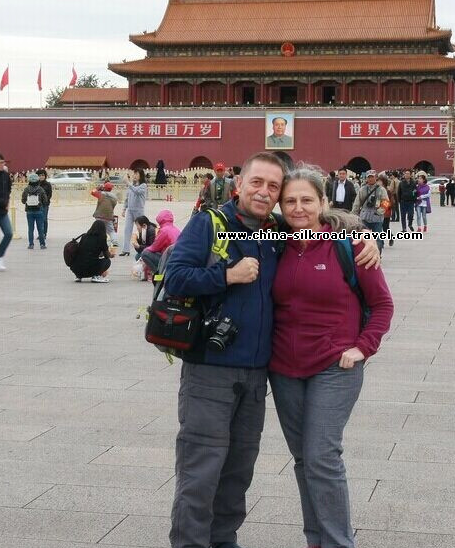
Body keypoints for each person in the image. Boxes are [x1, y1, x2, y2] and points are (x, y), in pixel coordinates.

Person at [163, 152, 379, 548]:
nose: (265, 192)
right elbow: (174, 277)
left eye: (273, 187)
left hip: (257, 371)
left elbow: (320, 226)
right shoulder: (211, 224)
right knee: (202, 467)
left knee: (238, 469)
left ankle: (223, 540)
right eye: (257, 183)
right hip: (211, 368)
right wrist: (227, 274)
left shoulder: (272, 231)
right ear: (239, 184)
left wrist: (366, 238)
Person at [270, 166, 393, 548]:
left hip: (335, 366)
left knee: (322, 455)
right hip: (284, 369)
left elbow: (383, 304)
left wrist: (363, 347)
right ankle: (316, 540)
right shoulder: (272, 243)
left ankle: (339, 543)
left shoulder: (350, 245)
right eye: (290, 201)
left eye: (307, 199)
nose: (298, 208)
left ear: (323, 202)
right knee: (305, 460)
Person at [352, 169, 389, 251]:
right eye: (369, 177)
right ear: (366, 178)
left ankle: (378, 254)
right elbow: (357, 203)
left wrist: (380, 211)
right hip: (364, 218)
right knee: (363, 239)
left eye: (372, 177)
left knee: (378, 239)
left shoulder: (381, 189)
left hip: (377, 218)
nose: (370, 179)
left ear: (376, 177)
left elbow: (386, 202)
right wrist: (354, 215)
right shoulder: (362, 189)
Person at [138, 210, 180, 275]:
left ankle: (158, 274)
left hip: (169, 259)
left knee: (145, 253)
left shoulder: (164, 230)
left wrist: (141, 248)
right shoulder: (176, 229)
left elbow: (154, 247)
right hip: (177, 258)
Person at [119, 168, 147, 256]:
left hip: (139, 210)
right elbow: (127, 198)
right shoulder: (131, 186)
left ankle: (143, 248)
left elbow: (137, 192)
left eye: (136, 174)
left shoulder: (143, 185)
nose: (134, 176)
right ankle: (126, 249)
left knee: (141, 231)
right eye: (134, 174)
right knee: (127, 229)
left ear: (141, 176)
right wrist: (124, 209)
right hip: (130, 211)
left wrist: (128, 183)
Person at [21, 172, 47, 249]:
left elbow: (23, 201)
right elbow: (45, 200)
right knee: (40, 228)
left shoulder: (26, 189)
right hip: (39, 211)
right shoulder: (40, 189)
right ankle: (42, 244)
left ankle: (31, 244)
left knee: (30, 228)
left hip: (29, 211)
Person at [91, 182, 118, 246]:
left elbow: (92, 192)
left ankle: (99, 243)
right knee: (111, 230)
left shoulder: (101, 194)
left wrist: (98, 188)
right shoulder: (114, 198)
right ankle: (114, 242)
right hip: (109, 216)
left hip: (99, 215)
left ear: (104, 188)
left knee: (99, 230)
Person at [377, 174, 394, 247]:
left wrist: (383, 208)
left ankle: (391, 237)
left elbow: (389, 202)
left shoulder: (387, 191)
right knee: (379, 227)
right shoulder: (376, 189)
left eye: (379, 181)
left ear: (383, 182)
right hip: (378, 211)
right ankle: (381, 242)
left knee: (385, 227)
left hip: (386, 211)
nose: (378, 182)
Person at [35, 169, 52, 241]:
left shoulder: (48, 184)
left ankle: (44, 233)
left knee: (44, 219)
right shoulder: (35, 184)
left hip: (45, 205)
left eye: (43, 175)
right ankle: (40, 234)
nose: (41, 177)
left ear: (45, 176)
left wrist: (45, 201)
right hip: (36, 205)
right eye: (39, 175)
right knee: (38, 220)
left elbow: (50, 195)